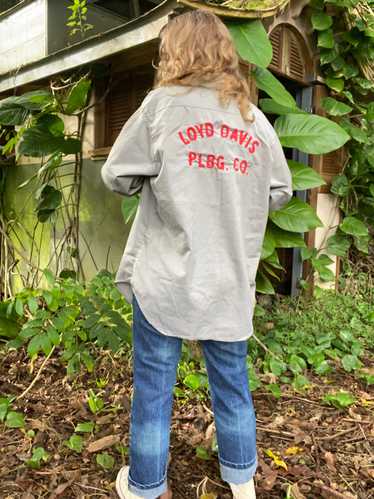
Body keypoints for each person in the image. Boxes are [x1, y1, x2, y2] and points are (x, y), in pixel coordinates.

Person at [101, 8, 293, 499]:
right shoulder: (251, 115)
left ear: (174, 52)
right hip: (227, 278)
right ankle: (242, 482)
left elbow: (117, 176)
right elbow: (280, 191)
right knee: (232, 386)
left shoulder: (161, 106)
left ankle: (145, 486)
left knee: (153, 389)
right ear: (226, 53)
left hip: (166, 278)